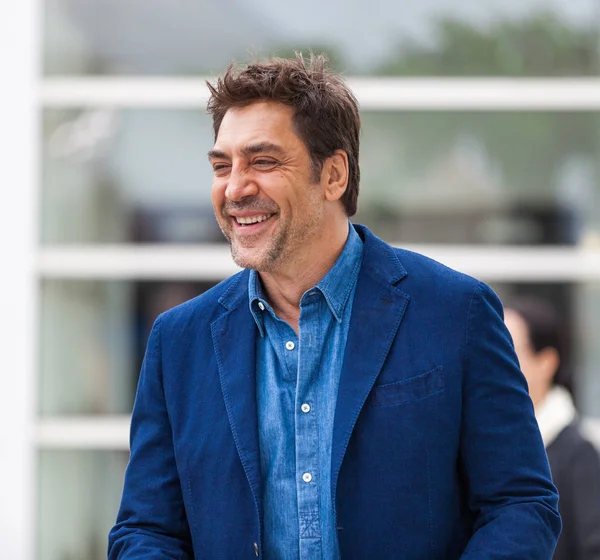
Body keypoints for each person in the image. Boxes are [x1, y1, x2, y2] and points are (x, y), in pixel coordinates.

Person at [108, 53, 560, 559]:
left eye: (262, 161)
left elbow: (520, 504)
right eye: (221, 166)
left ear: (334, 175)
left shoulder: (457, 313)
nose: (235, 187)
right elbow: (147, 530)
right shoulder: (179, 342)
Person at [505, 297, 600, 560]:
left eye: (510, 350)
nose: (498, 361)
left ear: (546, 361)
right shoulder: (489, 443)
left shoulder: (578, 454)